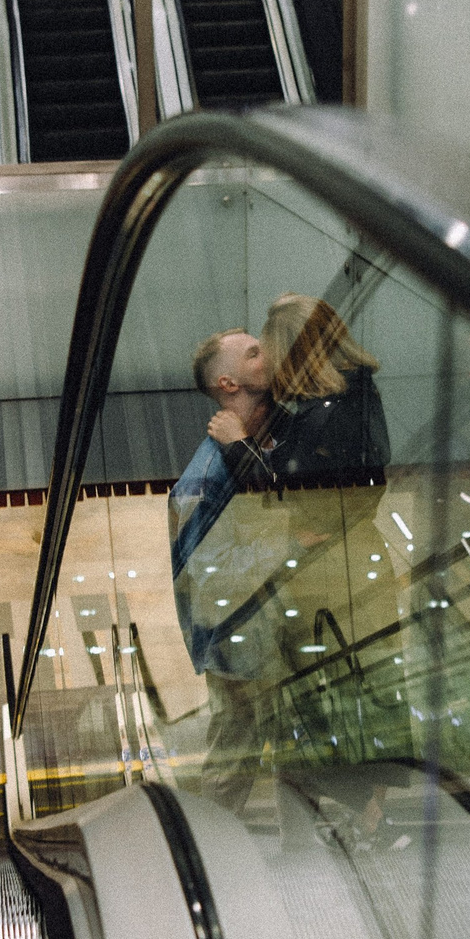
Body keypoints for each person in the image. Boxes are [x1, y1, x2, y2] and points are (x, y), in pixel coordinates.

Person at [171, 329, 291, 818]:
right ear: (229, 382)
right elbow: (209, 577)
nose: (269, 354)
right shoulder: (206, 477)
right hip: (239, 643)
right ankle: (211, 855)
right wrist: (288, 543)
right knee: (232, 762)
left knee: (285, 749)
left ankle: (302, 847)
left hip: (267, 632)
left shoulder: (259, 444)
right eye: (254, 353)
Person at [261, 292, 388, 484]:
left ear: (291, 358)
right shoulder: (358, 384)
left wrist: (237, 444)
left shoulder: (325, 415)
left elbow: (290, 489)